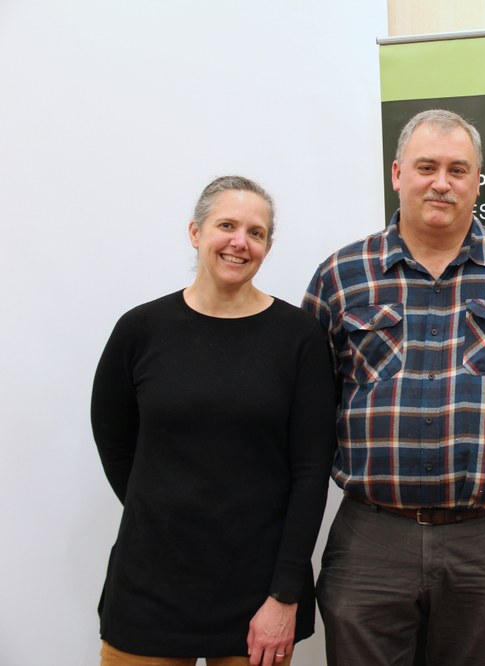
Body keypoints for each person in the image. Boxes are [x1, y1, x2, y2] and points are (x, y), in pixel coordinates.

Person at [302, 109, 485, 665]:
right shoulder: (342, 275)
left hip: (484, 540)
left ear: (478, 181)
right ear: (398, 174)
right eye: (427, 166)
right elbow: (310, 404)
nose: (441, 182)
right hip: (372, 537)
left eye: (458, 169)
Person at [91, 176, 336, 666]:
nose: (239, 242)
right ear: (195, 232)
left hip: (257, 590)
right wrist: (163, 512)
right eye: (227, 225)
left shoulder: (299, 339)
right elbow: (116, 446)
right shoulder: (140, 330)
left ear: (267, 246)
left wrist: (285, 594)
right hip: (149, 584)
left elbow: (311, 474)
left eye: (256, 232)